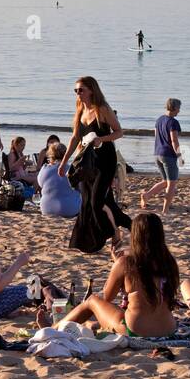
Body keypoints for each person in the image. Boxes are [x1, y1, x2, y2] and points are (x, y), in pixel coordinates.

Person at [61, 212, 178, 338]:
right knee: (123, 311)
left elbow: (107, 297)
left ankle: (56, 328)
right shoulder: (169, 262)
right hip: (168, 329)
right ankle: (92, 325)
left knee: (92, 301)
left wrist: (116, 265)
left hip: (135, 331)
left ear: (136, 236)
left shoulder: (127, 263)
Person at [59, 76, 131, 253]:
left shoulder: (103, 109)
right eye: (76, 90)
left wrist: (101, 139)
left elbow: (119, 132)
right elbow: (75, 138)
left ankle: (115, 233)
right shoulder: (80, 110)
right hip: (86, 162)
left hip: (105, 160)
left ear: (91, 90)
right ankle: (90, 241)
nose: (78, 93)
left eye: (81, 90)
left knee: (96, 202)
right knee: (88, 202)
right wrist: (64, 162)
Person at [141, 98, 183, 215]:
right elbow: (174, 140)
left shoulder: (159, 120)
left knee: (165, 181)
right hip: (168, 155)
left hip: (157, 153)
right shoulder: (173, 122)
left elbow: (156, 136)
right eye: (178, 108)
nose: (179, 111)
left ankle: (146, 195)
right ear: (174, 108)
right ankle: (165, 210)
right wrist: (179, 155)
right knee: (171, 183)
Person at [37, 143, 81, 218]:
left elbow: (40, 184)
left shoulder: (44, 169)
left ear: (50, 155)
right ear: (66, 154)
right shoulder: (73, 169)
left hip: (47, 209)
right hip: (70, 210)